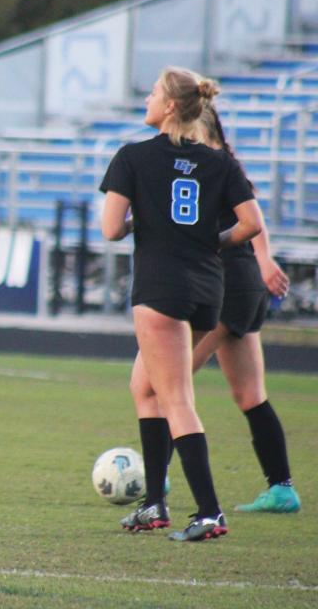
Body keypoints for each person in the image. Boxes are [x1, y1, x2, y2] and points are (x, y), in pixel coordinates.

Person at [100, 66, 263, 541]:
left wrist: (140, 223)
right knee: (144, 386)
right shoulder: (220, 161)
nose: (147, 98)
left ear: (170, 106)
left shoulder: (133, 156)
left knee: (175, 398)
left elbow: (110, 228)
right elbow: (251, 224)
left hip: (160, 286)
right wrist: (214, 241)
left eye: (153, 92)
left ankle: (210, 511)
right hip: (207, 287)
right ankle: (154, 503)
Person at [122, 105, 300, 516]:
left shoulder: (200, 158)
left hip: (224, 282)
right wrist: (264, 260)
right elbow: (250, 211)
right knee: (249, 393)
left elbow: (246, 216)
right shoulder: (219, 159)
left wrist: (263, 257)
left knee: (163, 388)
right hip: (243, 282)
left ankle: (156, 486)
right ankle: (282, 487)